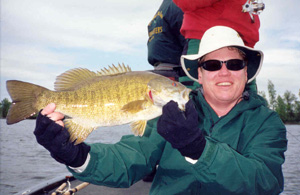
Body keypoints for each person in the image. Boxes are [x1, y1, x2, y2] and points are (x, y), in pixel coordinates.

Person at [34, 26, 287, 194]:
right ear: (199, 74)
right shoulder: (169, 114)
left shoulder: (267, 123)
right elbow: (131, 158)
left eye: (234, 63)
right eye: (211, 64)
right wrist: (77, 156)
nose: (223, 72)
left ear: (246, 71)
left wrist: (199, 149)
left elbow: (266, 183)